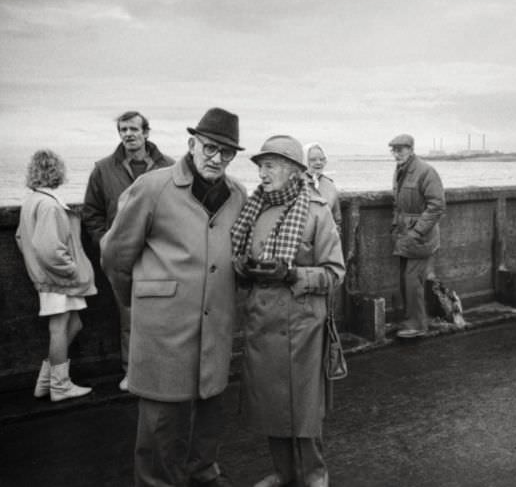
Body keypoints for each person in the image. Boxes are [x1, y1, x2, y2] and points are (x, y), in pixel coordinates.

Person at [101, 107, 246, 487]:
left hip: (215, 325)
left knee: (210, 409)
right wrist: (141, 303)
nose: (217, 158)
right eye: (210, 148)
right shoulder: (153, 186)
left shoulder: (238, 196)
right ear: (192, 143)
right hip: (163, 329)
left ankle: (203, 473)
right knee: (162, 424)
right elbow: (115, 255)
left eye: (227, 153)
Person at [231, 135, 345, 487]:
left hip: (302, 326)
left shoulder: (316, 211)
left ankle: (314, 476)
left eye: (270, 166)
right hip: (262, 320)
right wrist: (244, 268)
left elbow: (335, 273)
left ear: (293, 171)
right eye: (260, 166)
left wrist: (294, 274)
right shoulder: (253, 208)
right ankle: (284, 473)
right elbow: (236, 259)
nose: (262, 173)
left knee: (303, 409)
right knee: (270, 404)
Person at [82, 110, 174, 392]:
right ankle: (131, 372)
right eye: (123, 130)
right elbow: (91, 212)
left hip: (159, 255)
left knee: (164, 314)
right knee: (128, 315)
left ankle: (163, 371)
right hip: (122, 258)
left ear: (146, 132)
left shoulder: (170, 167)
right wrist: (106, 242)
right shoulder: (103, 169)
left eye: (134, 129)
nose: (128, 134)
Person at [16, 150, 96, 402]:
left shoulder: (32, 200)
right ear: (56, 171)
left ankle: (46, 381)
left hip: (48, 277)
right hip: (58, 279)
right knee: (60, 328)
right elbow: (50, 249)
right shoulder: (49, 205)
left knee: (74, 324)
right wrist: (70, 269)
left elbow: (20, 237)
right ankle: (60, 386)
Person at [388, 133, 445, 338]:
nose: (396, 154)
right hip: (405, 235)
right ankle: (409, 320)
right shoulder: (401, 170)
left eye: (400, 150)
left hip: (420, 237)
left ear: (411, 149)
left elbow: (437, 206)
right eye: (394, 150)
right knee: (406, 279)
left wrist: (417, 231)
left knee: (413, 280)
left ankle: (418, 324)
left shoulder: (426, 171)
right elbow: (399, 203)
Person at [304, 142, 342, 233]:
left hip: (326, 238)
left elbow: (337, 218)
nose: (318, 163)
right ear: (304, 161)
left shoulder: (330, 184)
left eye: (322, 159)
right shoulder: (296, 183)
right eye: (313, 160)